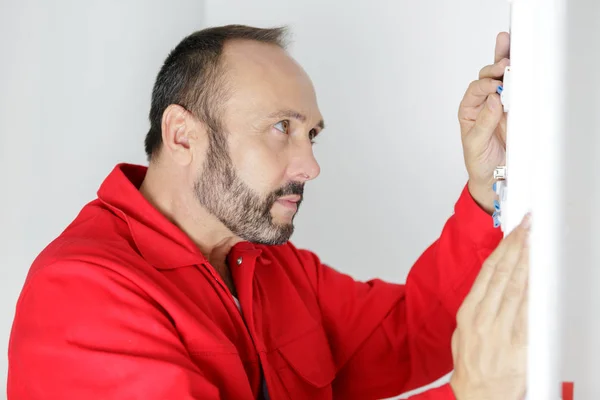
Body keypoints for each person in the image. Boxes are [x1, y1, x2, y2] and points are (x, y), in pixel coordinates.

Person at [7, 25, 528, 400]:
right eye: (282, 127)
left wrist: (488, 190)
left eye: (312, 134)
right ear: (182, 134)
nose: (310, 165)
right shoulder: (82, 293)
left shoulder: (266, 264)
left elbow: (419, 330)